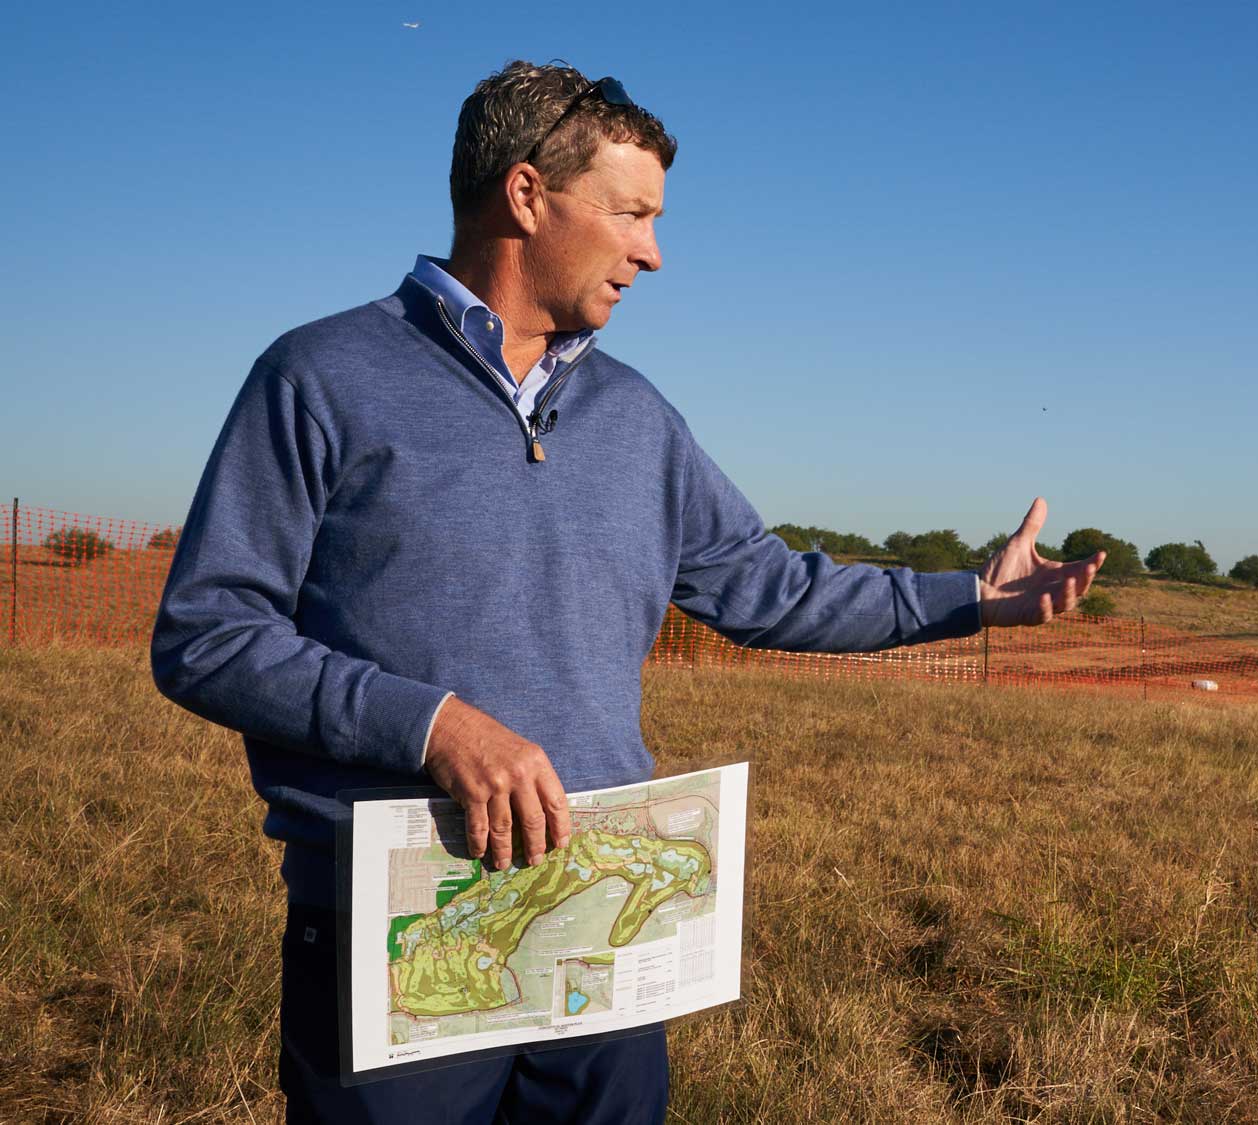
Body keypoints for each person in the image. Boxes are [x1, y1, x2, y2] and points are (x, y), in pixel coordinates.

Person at [151, 59, 1103, 1124]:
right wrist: (435, 728)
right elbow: (208, 634)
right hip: (402, 929)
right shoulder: (320, 377)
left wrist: (971, 595)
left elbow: (767, 587)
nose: (653, 251)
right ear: (525, 194)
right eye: (631, 213)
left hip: (601, 930)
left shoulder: (635, 415)